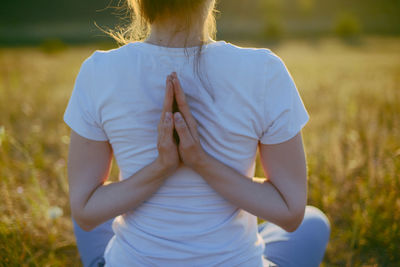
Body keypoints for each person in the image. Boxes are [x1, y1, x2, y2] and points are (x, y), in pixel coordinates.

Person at [63, 0, 331, 266]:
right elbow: (289, 210)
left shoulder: (98, 71)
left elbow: (85, 211)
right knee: (312, 221)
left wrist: (162, 167)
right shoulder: (265, 70)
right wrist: (200, 162)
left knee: (91, 204)